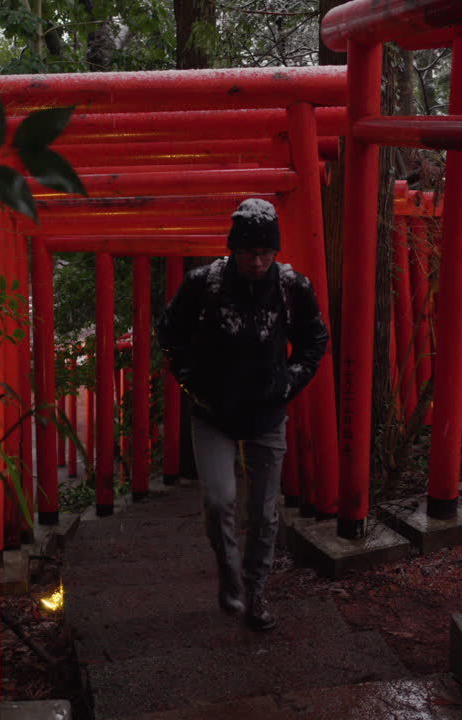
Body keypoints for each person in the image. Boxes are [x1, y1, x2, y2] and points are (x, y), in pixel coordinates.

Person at [156, 197, 329, 631]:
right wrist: (190, 379)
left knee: (264, 511)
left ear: (275, 251)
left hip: (267, 412)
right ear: (233, 249)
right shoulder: (204, 284)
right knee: (218, 500)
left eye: (265, 252)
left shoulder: (292, 287)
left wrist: (291, 380)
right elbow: (169, 332)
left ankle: (254, 590)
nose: (257, 261)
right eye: (249, 252)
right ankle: (229, 569)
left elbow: (315, 339)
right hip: (213, 411)